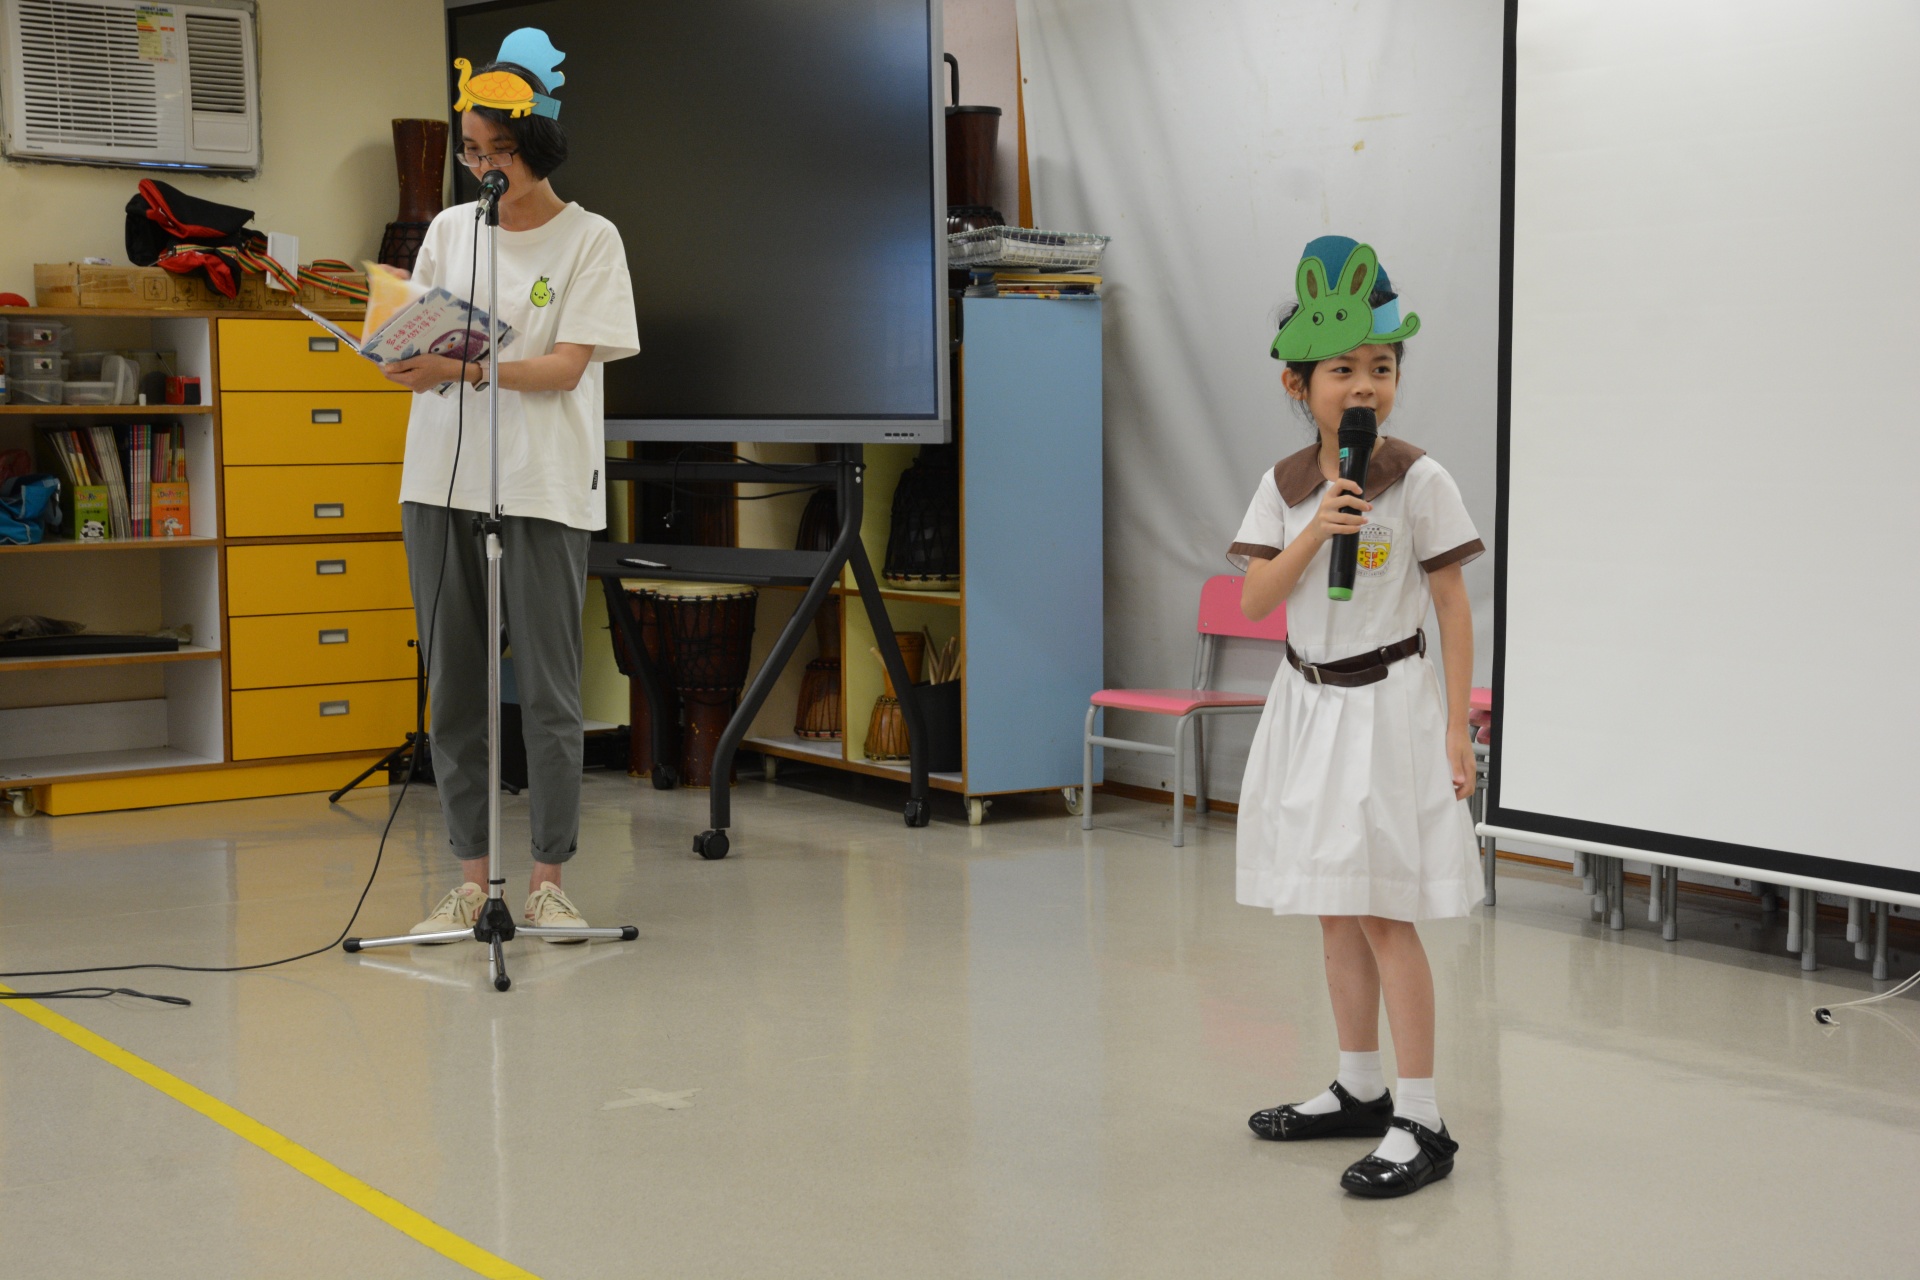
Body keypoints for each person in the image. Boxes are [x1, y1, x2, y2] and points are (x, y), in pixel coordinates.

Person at [1228, 236, 1483, 1198]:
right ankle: (1360, 1087)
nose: (1366, 384)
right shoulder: (1287, 485)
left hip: (1387, 710)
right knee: (1334, 904)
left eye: (1382, 366)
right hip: (1308, 704)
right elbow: (1259, 598)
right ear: (1299, 384)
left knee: (1382, 907)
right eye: (1343, 369)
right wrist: (1317, 531)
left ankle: (1423, 1117)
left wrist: (1456, 728)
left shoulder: (1420, 479)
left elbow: (1452, 605)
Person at [383, 30, 640, 942]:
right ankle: (468, 881)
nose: (484, 168)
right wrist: (404, 356)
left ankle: (548, 881)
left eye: (499, 151)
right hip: (439, 481)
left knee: (550, 691)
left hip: (542, 485)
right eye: (471, 151)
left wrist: (468, 367)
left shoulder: (591, 239)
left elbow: (567, 367)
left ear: (538, 148)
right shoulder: (450, 231)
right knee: (454, 688)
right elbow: (417, 351)